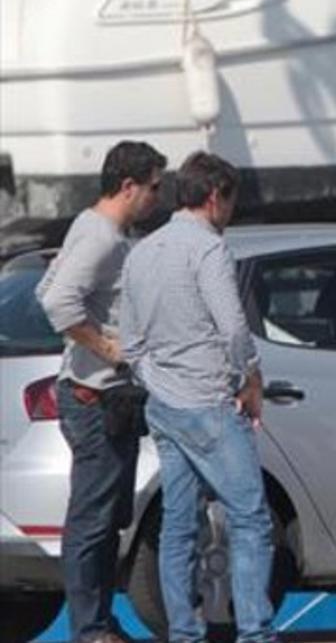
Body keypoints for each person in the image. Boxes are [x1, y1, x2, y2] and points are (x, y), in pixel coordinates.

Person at [120, 151, 277, 642]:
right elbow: (232, 326)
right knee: (251, 518)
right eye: (230, 202)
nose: (230, 213)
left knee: (178, 526)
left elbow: (129, 341)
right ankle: (255, 633)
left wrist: (156, 379)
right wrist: (250, 380)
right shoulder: (209, 249)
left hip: (163, 405)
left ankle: (184, 635)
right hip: (208, 400)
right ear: (214, 198)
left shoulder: (142, 250)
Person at [37, 140, 165, 643]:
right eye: (154, 187)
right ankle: (89, 629)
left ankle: (98, 624)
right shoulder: (104, 238)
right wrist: (108, 348)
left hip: (96, 395)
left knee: (107, 516)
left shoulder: (89, 226)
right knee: (92, 520)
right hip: (96, 397)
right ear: (129, 186)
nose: (158, 197)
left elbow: (46, 288)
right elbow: (59, 305)